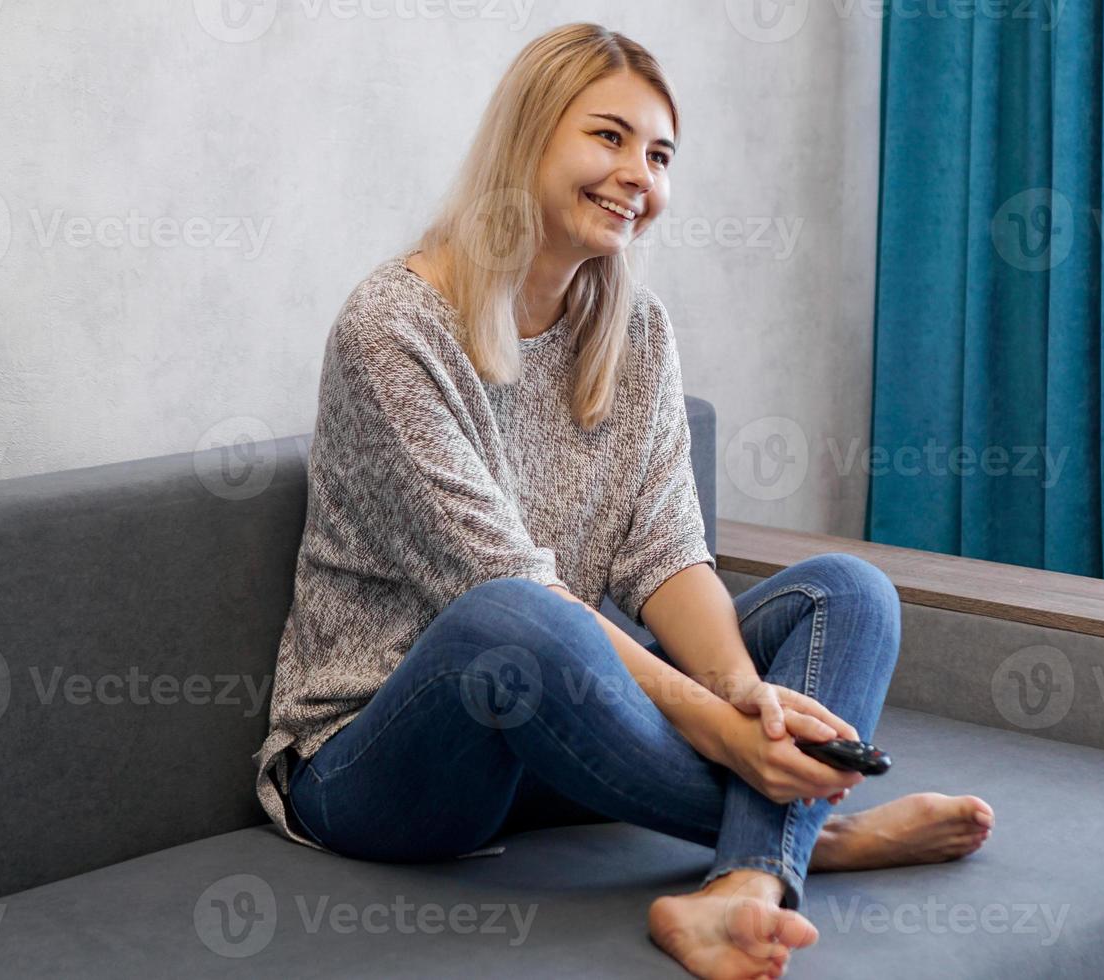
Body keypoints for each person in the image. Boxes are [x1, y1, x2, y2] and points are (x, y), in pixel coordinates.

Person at [252, 22, 994, 980]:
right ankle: (815, 841)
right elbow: (505, 590)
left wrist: (744, 696)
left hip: (559, 738)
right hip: (377, 762)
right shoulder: (392, 330)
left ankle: (745, 886)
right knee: (517, 615)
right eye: (608, 137)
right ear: (528, 138)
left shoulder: (634, 330)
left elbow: (667, 552)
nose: (637, 172)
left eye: (659, 153)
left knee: (847, 591)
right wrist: (728, 737)